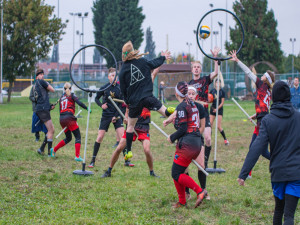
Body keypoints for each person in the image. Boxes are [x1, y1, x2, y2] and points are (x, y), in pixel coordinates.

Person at [238, 81, 300, 225]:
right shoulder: (298, 117)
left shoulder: (268, 120)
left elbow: (257, 147)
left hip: (278, 173)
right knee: (289, 215)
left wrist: (244, 173)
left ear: (273, 98)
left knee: (279, 209)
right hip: (296, 173)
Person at [118, 41, 174, 162]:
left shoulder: (122, 71)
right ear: (133, 51)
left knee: (130, 126)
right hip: (148, 97)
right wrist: (163, 57)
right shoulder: (142, 61)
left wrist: (127, 102)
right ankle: (168, 111)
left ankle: (128, 151)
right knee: (164, 111)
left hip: (135, 102)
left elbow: (123, 90)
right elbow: (154, 63)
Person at [229, 50, 274, 177]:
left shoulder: (261, 85)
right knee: (261, 150)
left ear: (266, 79)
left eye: (264, 75)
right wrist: (256, 115)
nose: (262, 76)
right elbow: (265, 107)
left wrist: (237, 61)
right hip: (263, 119)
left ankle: (249, 172)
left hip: (263, 122)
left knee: (255, 148)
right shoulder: (269, 90)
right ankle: (275, 162)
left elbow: (248, 72)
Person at [167, 81, 207, 208]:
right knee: (176, 171)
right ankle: (182, 201)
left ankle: (199, 191)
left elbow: (183, 128)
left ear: (176, 93)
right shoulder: (193, 104)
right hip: (196, 142)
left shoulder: (181, 106)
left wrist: (172, 137)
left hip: (188, 144)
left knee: (176, 173)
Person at [101, 107, 159, 178]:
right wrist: (126, 118)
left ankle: (152, 172)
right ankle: (108, 171)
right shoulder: (132, 98)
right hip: (131, 127)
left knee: (147, 150)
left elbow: (158, 107)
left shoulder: (147, 99)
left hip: (143, 127)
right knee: (119, 148)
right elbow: (127, 111)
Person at [87, 68, 127, 168]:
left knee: (123, 137)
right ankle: (93, 160)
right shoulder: (104, 87)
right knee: (100, 137)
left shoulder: (120, 88)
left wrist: (117, 116)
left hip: (116, 115)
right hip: (106, 115)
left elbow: (122, 106)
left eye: (115, 75)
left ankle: (127, 160)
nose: (114, 77)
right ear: (108, 77)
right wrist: (101, 105)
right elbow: (96, 99)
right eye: (112, 75)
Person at [188, 47, 220, 168]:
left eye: (198, 67)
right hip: (193, 115)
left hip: (204, 114)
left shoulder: (205, 80)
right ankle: (192, 158)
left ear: (200, 69)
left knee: (208, 139)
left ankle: (205, 164)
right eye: (194, 67)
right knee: (195, 139)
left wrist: (215, 58)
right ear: (192, 70)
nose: (196, 68)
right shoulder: (189, 84)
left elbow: (216, 73)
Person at [50, 82, 90, 161]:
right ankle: (77, 156)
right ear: (71, 88)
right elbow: (79, 103)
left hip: (62, 119)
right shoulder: (72, 95)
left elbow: (60, 110)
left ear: (64, 89)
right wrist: (87, 108)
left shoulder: (62, 97)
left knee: (68, 138)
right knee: (77, 136)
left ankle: (53, 150)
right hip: (69, 118)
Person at [34, 69, 56, 156]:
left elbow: (41, 98)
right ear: (37, 77)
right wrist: (47, 83)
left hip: (41, 108)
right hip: (43, 109)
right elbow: (53, 90)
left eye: (43, 74)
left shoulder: (35, 85)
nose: (42, 75)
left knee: (51, 130)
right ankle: (49, 152)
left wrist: (49, 106)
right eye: (40, 74)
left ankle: (42, 149)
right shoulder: (42, 82)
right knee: (51, 130)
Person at [209, 78, 229, 145]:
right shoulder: (212, 91)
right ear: (214, 83)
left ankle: (225, 140)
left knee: (218, 126)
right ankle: (209, 140)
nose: (217, 84)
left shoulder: (222, 92)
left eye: (219, 82)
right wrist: (212, 107)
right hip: (212, 109)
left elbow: (222, 102)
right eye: (216, 82)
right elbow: (209, 100)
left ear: (220, 84)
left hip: (219, 109)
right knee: (210, 124)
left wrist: (217, 109)